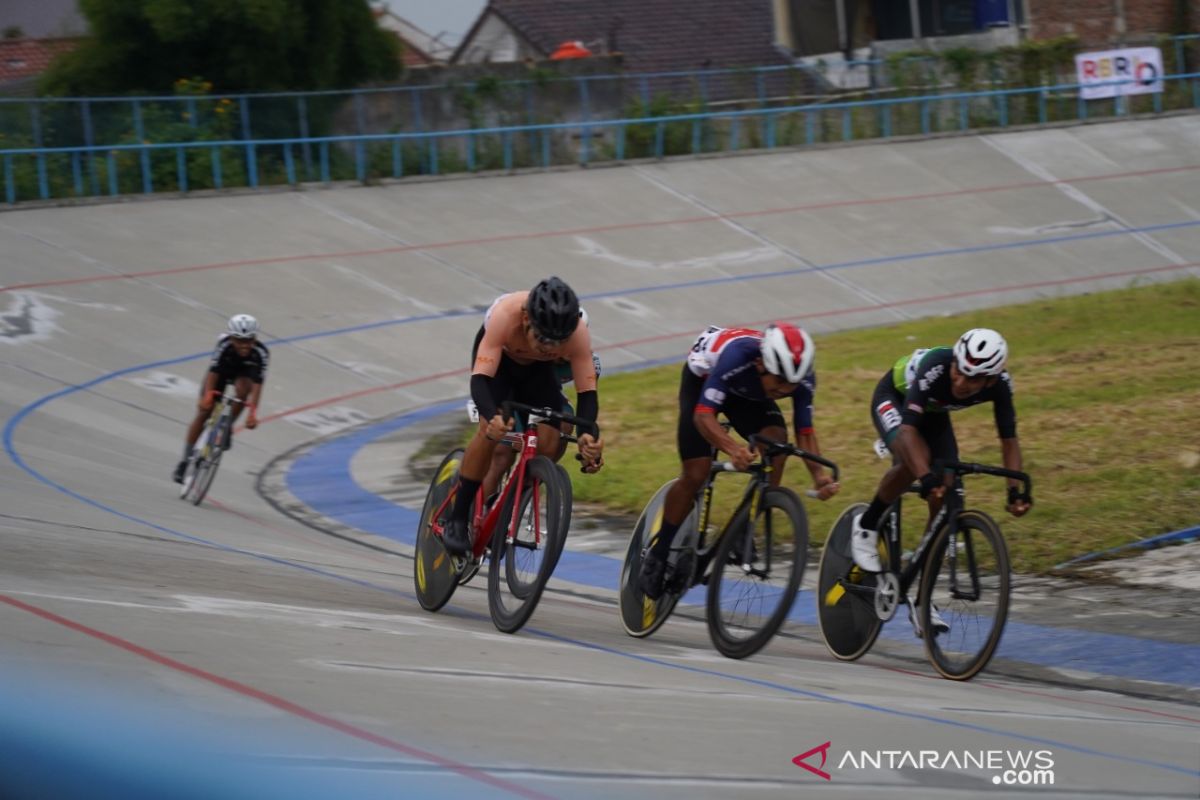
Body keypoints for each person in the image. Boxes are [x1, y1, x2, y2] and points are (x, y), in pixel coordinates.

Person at [849, 327, 1032, 637]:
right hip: (895, 399)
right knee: (911, 463)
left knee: (945, 495)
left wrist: (1014, 490)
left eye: (973, 379)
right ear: (955, 361)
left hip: (935, 413)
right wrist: (925, 474)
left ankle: (922, 601)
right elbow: (908, 432)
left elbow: (1009, 439)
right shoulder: (935, 365)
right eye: (959, 371)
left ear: (990, 379)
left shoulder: (1000, 385)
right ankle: (866, 523)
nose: (961, 382)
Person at [638, 322, 840, 600]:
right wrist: (733, 448)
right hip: (704, 384)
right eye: (780, 381)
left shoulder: (798, 378)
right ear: (761, 364)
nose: (784, 390)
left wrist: (819, 475)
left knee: (778, 446)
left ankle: (747, 526)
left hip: (749, 394)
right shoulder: (738, 357)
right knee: (697, 473)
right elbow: (703, 416)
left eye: (790, 386)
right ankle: (658, 552)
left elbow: (805, 432)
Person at [442, 277, 604, 556]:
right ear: (527, 318)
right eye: (542, 338)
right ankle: (457, 517)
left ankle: (505, 510)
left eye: (557, 342)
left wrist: (589, 437)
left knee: (552, 441)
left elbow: (587, 394)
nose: (549, 348)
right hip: (501, 366)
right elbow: (480, 380)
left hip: (538, 374)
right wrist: (490, 416)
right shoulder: (505, 315)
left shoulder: (577, 335)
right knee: (491, 432)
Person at [172, 314, 268, 483]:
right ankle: (184, 462)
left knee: (243, 391)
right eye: (239, 340)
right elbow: (213, 373)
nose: (244, 346)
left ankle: (227, 425)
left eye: (249, 340)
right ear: (231, 337)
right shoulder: (224, 346)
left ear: (255, 338)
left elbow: (258, 385)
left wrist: (252, 413)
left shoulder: (261, 353)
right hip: (221, 373)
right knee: (204, 412)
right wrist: (208, 396)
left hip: (243, 374)